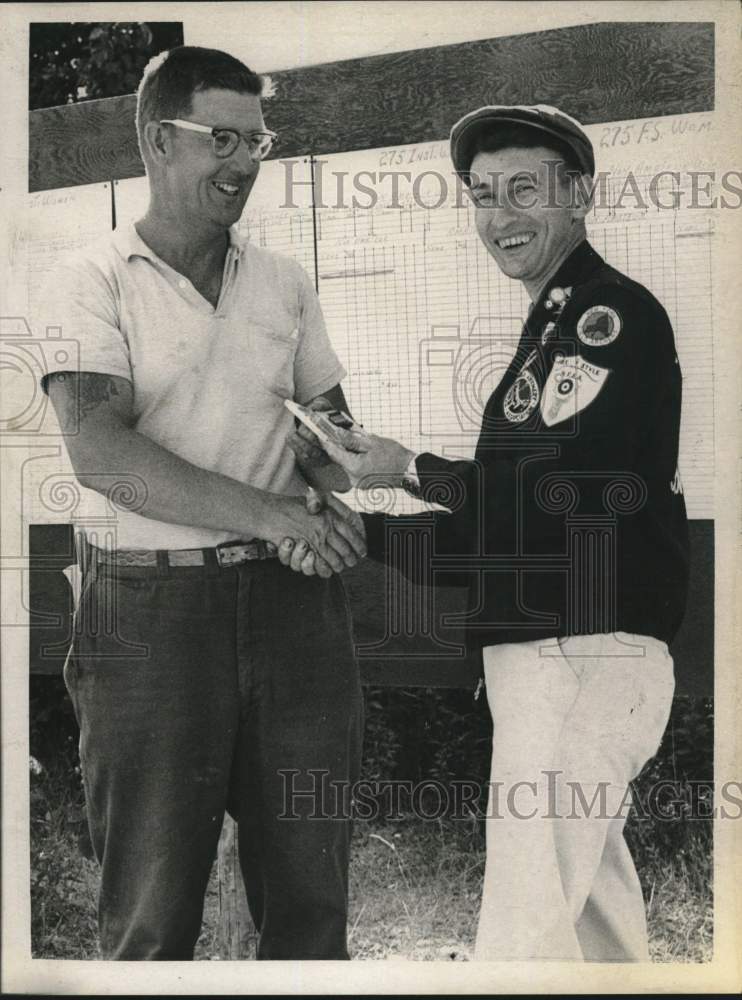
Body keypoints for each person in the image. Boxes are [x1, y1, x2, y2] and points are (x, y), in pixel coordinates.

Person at [288, 105, 689, 961]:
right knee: (590, 926)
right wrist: (381, 524)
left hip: (581, 653)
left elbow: (556, 504)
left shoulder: (603, 317)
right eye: (481, 196)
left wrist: (406, 472)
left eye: (522, 192)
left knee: (524, 937)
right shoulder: (554, 323)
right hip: (564, 653)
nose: (498, 218)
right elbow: (515, 524)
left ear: (579, 194)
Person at [41, 45, 367, 960]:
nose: (242, 165)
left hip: (295, 611)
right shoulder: (89, 279)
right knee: (151, 922)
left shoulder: (284, 283)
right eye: (221, 138)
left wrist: (326, 487)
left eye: (256, 145)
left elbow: (333, 445)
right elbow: (104, 456)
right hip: (149, 615)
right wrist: (274, 515)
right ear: (156, 140)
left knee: (311, 914)